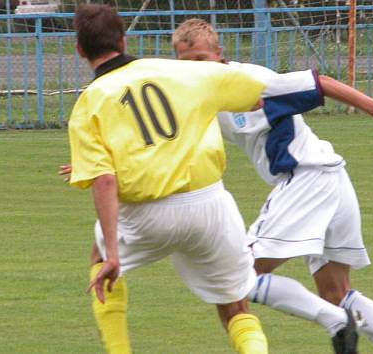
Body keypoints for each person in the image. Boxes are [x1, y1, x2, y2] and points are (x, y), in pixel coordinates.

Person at [171, 18, 373, 354]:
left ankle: (335, 320)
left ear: (219, 54)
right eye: (186, 62)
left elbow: (320, 82)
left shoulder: (253, 82)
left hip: (307, 179)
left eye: (201, 59)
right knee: (338, 292)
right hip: (330, 177)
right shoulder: (197, 94)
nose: (195, 68)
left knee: (239, 276)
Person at [67, 5, 273, 354]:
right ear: (123, 39)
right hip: (210, 205)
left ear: (80, 50)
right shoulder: (178, 71)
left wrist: (113, 254)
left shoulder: (90, 103)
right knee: (236, 308)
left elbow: (104, 180)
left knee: (99, 259)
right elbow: (259, 94)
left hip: (146, 213)